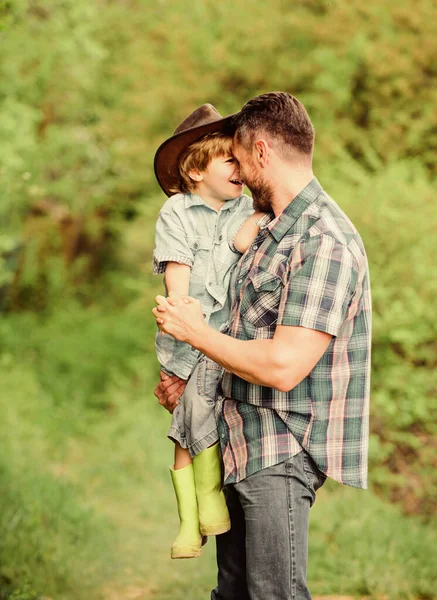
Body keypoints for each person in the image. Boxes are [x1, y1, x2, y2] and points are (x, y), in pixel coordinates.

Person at [153, 92, 372, 599]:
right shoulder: (269, 229)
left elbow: (283, 366)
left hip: (280, 448)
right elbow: (236, 327)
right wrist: (190, 383)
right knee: (234, 592)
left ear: (260, 152)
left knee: (275, 593)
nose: (238, 172)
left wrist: (196, 335)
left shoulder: (322, 241)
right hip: (239, 438)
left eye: (237, 155)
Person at [153, 103, 263, 560]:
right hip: (187, 334)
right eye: (229, 162)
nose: (239, 170)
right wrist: (183, 314)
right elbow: (177, 266)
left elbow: (244, 240)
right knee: (195, 408)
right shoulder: (176, 211)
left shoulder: (244, 210)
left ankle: (190, 523)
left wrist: (261, 216)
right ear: (196, 170)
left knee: (191, 418)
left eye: (241, 161)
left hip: (223, 338)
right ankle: (204, 501)